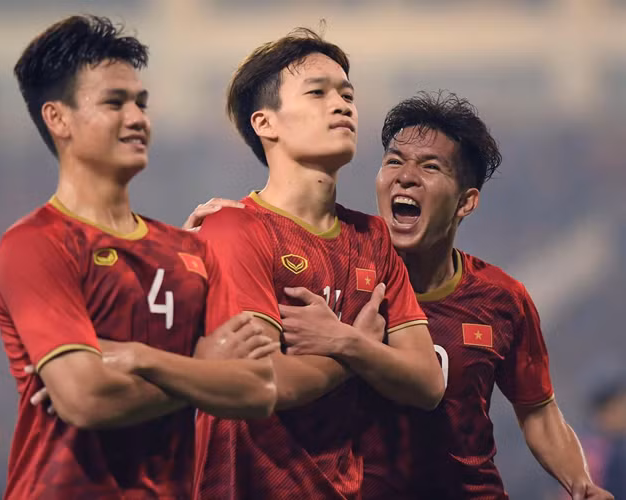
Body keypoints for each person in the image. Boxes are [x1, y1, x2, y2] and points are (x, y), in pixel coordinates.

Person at [189, 91, 614, 499]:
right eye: (394, 161)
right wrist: (224, 232)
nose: (406, 176)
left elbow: (537, 410)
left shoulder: (502, 299)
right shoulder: (335, 270)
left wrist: (581, 483)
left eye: (430, 167)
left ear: (466, 202)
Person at [0, 15, 276, 499]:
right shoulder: (36, 243)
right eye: (114, 102)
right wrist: (200, 366)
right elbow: (86, 399)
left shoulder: (191, 251)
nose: (138, 118)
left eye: (141, 103)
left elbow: (257, 390)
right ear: (57, 118)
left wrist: (142, 360)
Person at [188, 29, 444, 499]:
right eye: (318, 93)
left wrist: (345, 341)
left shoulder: (373, 239)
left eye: (347, 94)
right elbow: (263, 382)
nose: (342, 105)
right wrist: (355, 352)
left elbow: (427, 382)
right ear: (265, 123)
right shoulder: (232, 229)